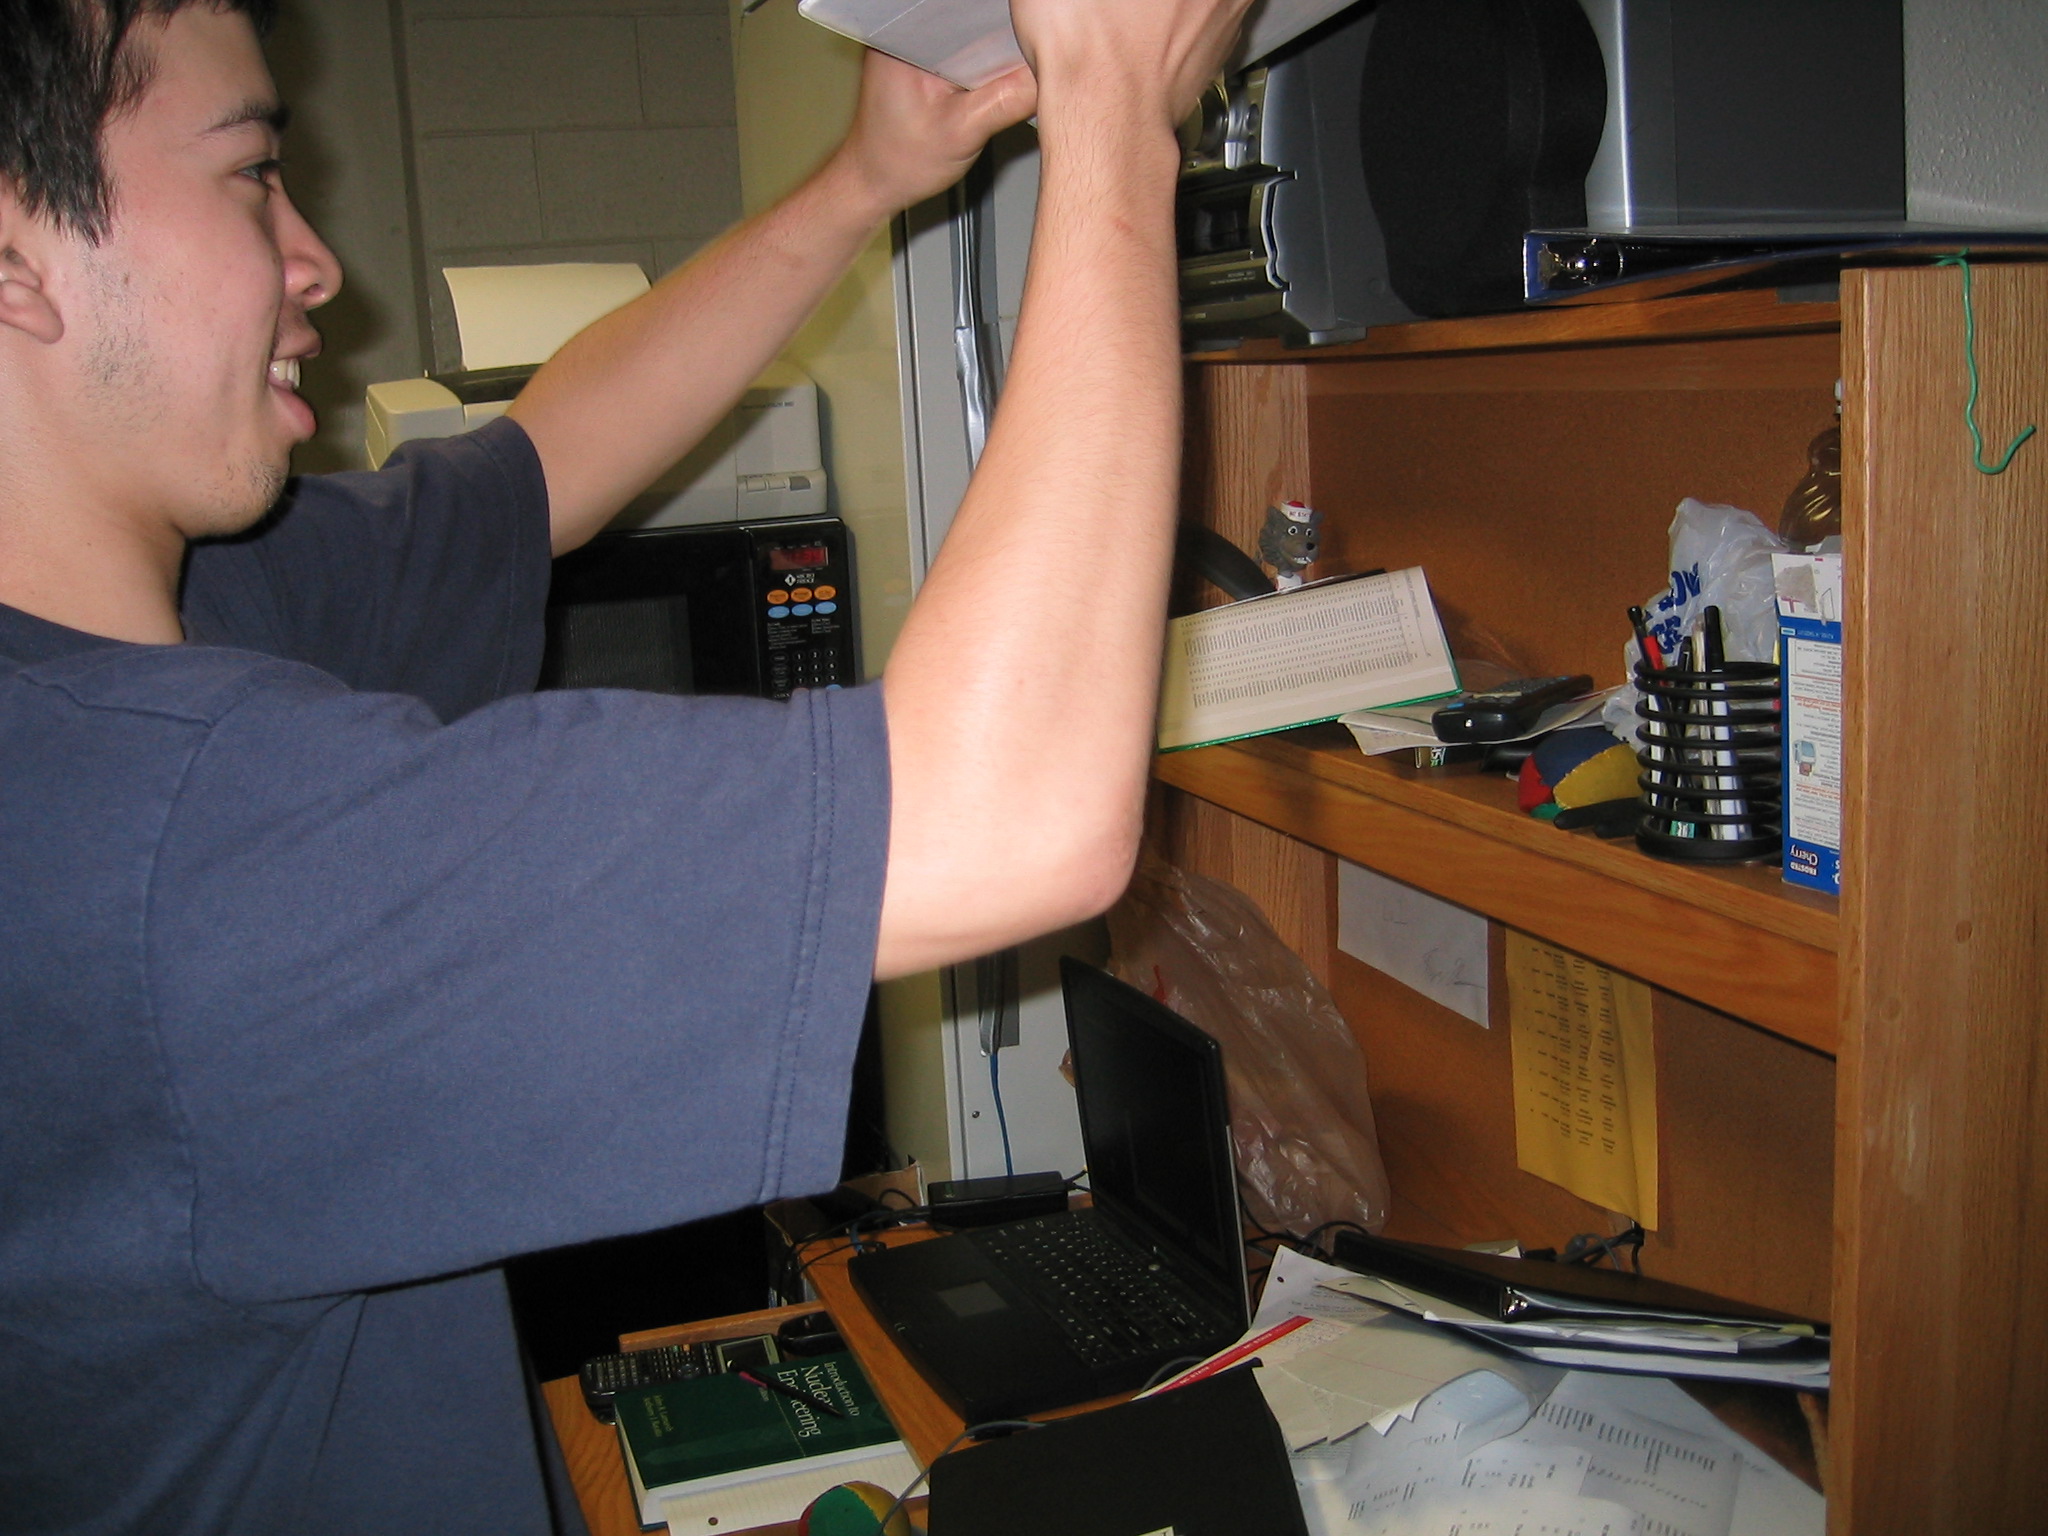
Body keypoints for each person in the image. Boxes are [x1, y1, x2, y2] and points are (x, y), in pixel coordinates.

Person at [0, 0, 1252, 1529]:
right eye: (251, 173)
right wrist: (1115, 113)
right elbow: (1012, 818)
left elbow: (543, 468)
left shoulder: (167, 613)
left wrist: (865, 176)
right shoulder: (170, 848)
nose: (315, 259)